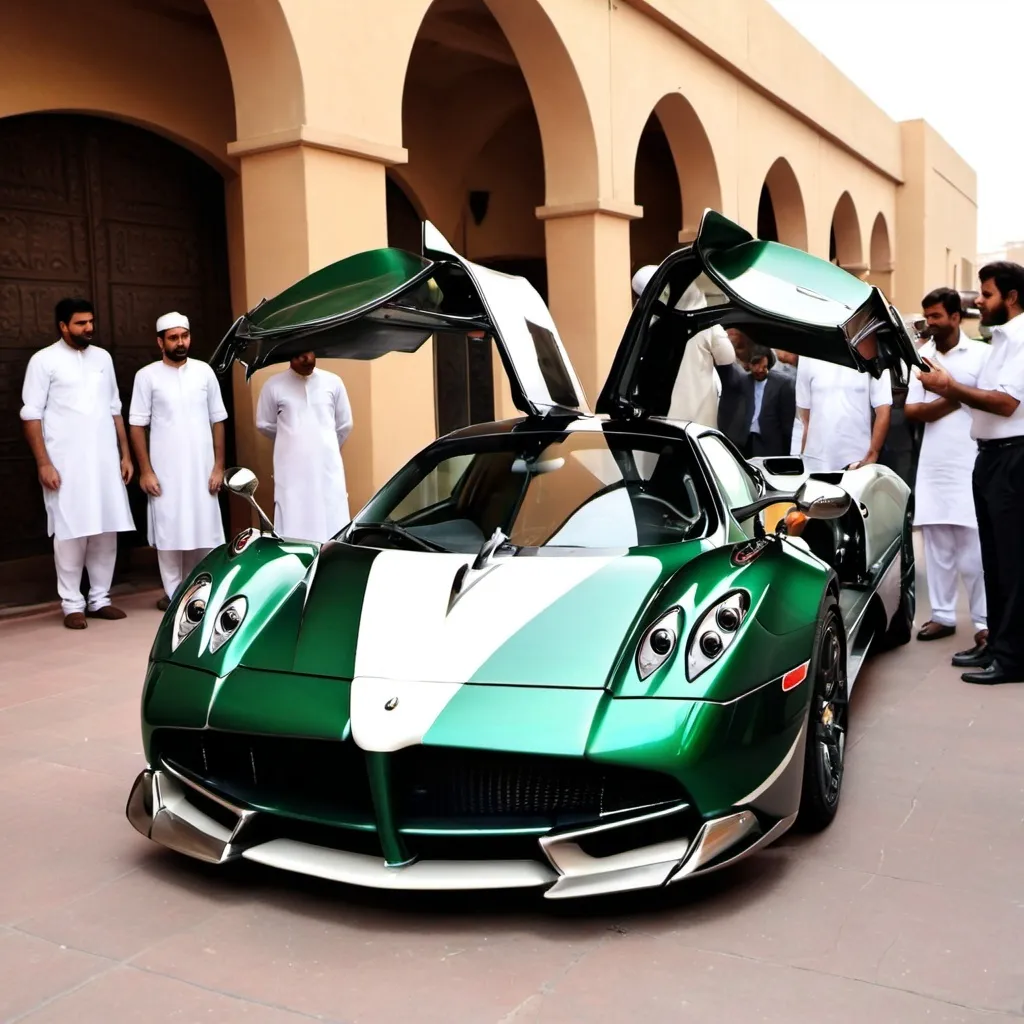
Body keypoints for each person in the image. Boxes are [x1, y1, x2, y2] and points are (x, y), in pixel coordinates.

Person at [919, 262, 1024, 685]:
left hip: (1013, 458)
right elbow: (977, 395)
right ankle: (996, 646)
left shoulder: (1021, 339)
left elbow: (1004, 403)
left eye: (986, 293)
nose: (977, 300)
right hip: (991, 456)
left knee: (1012, 563)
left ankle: (1013, 660)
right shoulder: (1000, 339)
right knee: (994, 560)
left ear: (1012, 297)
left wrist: (948, 388)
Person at [20, 298, 135, 629]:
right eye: (81, 323)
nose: (89, 328)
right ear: (63, 326)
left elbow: (115, 408)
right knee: (70, 532)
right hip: (65, 464)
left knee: (105, 530)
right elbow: (31, 415)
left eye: (90, 322)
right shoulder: (44, 361)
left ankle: (100, 598)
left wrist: (125, 454)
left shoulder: (103, 358)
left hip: (104, 462)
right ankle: (72, 603)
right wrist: (44, 463)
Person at [904, 288, 989, 647]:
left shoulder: (984, 355)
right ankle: (942, 616)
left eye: (937, 316)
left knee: (975, 550)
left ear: (956, 317)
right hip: (935, 463)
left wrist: (947, 391)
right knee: (937, 545)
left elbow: (989, 403)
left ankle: (985, 622)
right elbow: (912, 411)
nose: (931, 323)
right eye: (928, 316)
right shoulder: (921, 357)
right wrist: (958, 393)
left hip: (971, 457)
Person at [129, 312, 228, 610]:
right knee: (170, 532)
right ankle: (174, 596)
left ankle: (201, 592)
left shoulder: (204, 372)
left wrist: (219, 466)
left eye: (184, 336)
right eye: (173, 338)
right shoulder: (146, 376)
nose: (180, 342)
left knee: (204, 531)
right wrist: (145, 471)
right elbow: (137, 425)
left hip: (202, 470)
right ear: (160, 342)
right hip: (165, 471)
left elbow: (218, 420)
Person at [256, 351, 353, 541]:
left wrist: (324, 447)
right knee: (293, 521)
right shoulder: (273, 385)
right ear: (289, 356)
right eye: (299, 354)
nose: (306, 358)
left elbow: (344, 425)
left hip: (327, 470)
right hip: (292, 472)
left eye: (309, 352)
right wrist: (291, 440)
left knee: (332, 520)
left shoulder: (333, 382)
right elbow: (264, 423)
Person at [631, 266, 736, 427]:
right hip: (697, 423)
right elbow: (727, 357)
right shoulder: (707, 327)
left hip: (658, 416)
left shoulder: (651, 327)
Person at [796, 355, 892, 473]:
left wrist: (873, 454)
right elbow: (805, 415)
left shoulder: (870, 349)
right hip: (816, 460)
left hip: (857, 460)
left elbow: (884, 408)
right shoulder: (807, 354)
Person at [718, 344, 796, 457]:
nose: (759, 369)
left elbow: (787, 424)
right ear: (749, 364)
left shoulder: (783, 384)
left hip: (770, 445)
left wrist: (786, 454)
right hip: (745, 442)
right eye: (755, 365)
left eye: (762, 365)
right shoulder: (743, 381)